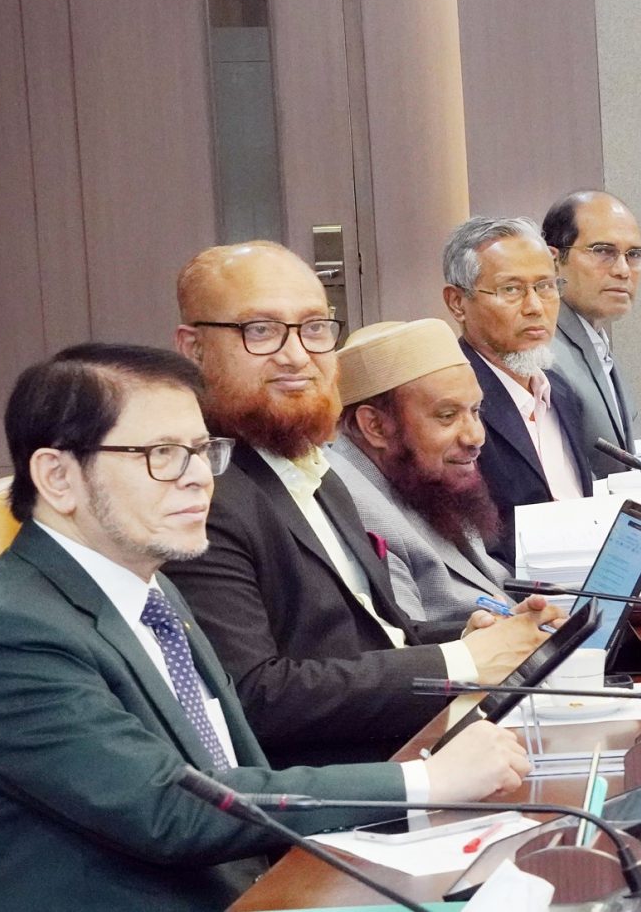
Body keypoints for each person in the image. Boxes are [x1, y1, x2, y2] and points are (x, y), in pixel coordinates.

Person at [0, 344, 530, 909]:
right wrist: (425, 782)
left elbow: (235, 768)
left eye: (202, 451)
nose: (199, 479)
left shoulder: (152, 587)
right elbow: (166, 808)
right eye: (163, 454)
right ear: (57, 476)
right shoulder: (9, 629)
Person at [162, 241, 557, 767]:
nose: (296, 355)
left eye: (313, 328)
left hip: (423, 747)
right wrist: (460, 662)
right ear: (194, 348)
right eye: (260, 330)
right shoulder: (201, 491)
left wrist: (476, 636)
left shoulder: (310, 469)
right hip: (344, 787)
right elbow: (253, 696)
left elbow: (377, 636)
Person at [329, 319, 514, 624]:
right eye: (447, 415)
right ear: (375, 426)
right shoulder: (350, 509)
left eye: (475, 411)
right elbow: (408, 641)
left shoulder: (425, 476)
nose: (476, 436)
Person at [443, 215, 595, 560]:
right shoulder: (453, 406)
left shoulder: (563, 394)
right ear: (457, 303)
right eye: (511, 290)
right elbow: (468, 547)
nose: (535, 307)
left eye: (546, 286)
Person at [543, 190, 641, 478]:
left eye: (634, 255)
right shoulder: (543, 354)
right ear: (553, 261)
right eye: (603, 251)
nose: (623, 270)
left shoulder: (595, 340)